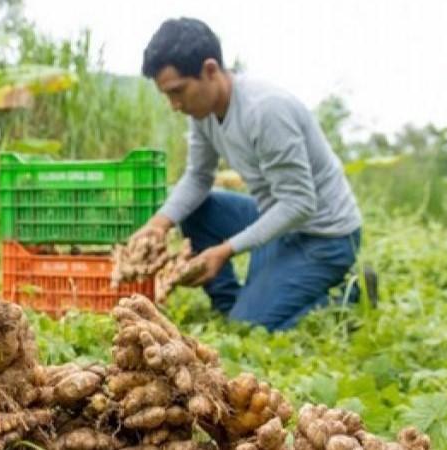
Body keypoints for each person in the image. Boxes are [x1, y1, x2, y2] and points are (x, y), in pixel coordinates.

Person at [132, 17, 363, 331]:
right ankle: (232, 305)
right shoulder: (202, 112)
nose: (174, 105)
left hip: (323, 235)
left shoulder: (266, 111)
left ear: (210, 70)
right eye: (167, 95)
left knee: (249, 327)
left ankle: (349, 296)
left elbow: (299, 204)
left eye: (178, 91)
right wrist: (159, 224)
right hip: (277, 218)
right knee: (196, 209)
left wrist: (225, 251)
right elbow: (198, 176)